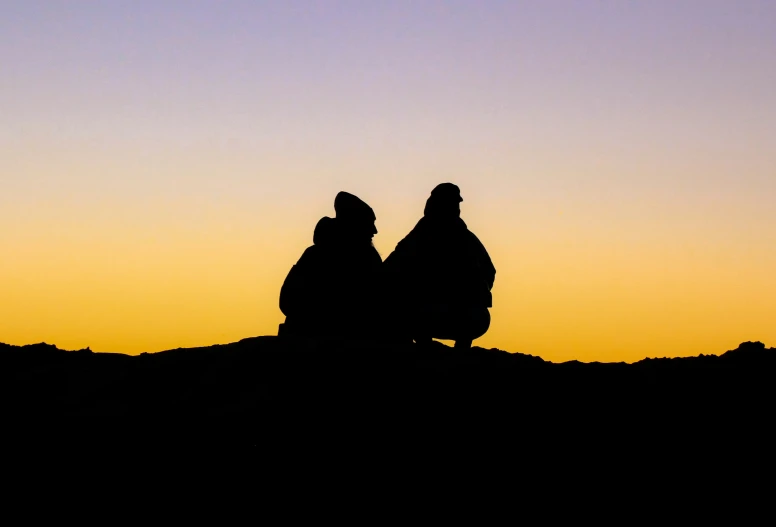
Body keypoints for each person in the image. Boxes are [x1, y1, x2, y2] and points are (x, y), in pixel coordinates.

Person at [384, 183, 495, 349]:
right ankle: (427, 345)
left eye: (456, 204)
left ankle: (454, 346)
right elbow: (391, 269)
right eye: (452, 203)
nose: (455, 208)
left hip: (462, 315)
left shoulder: (464, 238)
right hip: (427, 312)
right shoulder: (419, 237)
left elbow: (488, 271)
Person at [278, 192, 383, 339]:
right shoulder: (316, 257)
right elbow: (288, 301)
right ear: (354, 224)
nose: (374, 230)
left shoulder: (369, 258)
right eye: (368, 223)